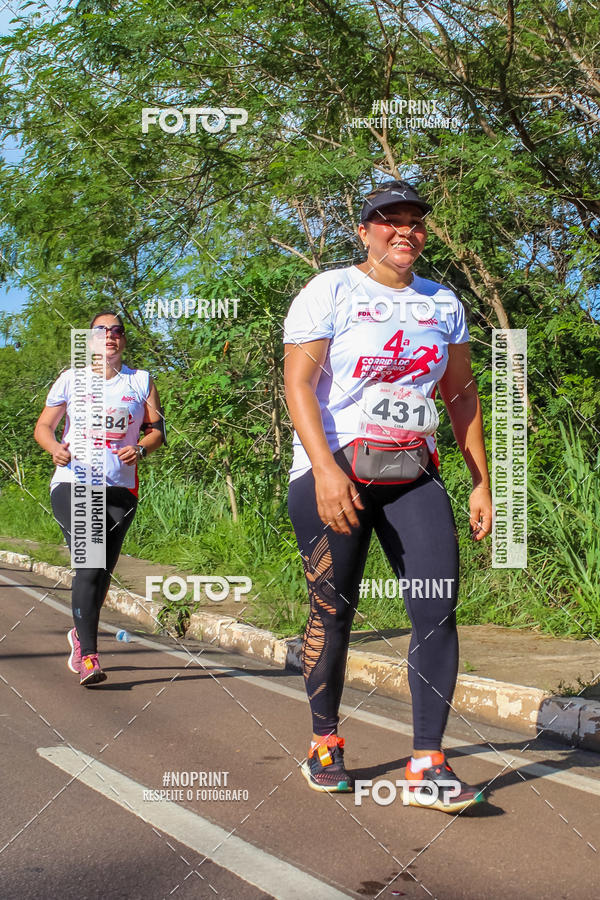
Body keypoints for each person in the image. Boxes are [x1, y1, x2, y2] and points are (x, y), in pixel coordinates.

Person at [283, 180, 493, 812]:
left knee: (437, 606)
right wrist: (323, 468)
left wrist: (482, 480)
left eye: (415, 223)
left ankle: (428, 762)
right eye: (389, 222)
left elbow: (460, 395)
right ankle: (324, 741)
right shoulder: (332, 289)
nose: (404, 232)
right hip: (339, 468)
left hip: (414, 473)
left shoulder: (443, 302)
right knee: (333, 610)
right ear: (365, 230)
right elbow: (298, 383)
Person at [34, 312, 165, 685]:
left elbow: (156, 430)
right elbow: (44, 426)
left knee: (102, 572)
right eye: (101, 331)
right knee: (89, 565)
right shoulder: (71, 379)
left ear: (123, 341)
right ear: (90, 340)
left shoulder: (140, 381)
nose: (110, 336)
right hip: (75, 481)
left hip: (120, 488)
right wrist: (54, 448)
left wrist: (140, 449)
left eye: (117, 331)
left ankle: (79, 633)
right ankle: (89, 655)